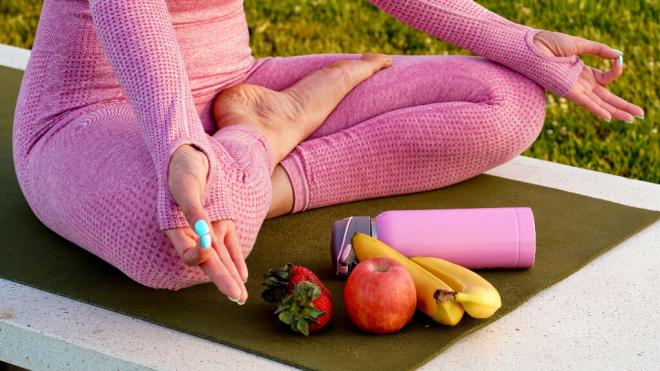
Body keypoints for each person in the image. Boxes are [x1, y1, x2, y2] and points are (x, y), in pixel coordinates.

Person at [12, 0, 644, 305]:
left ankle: (261, 166)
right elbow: (131, 15)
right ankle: (263, 138)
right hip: (88, 118)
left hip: (236, 89)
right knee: (173, 246)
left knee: (506, 101)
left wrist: (523, 43)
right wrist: (183, 142)